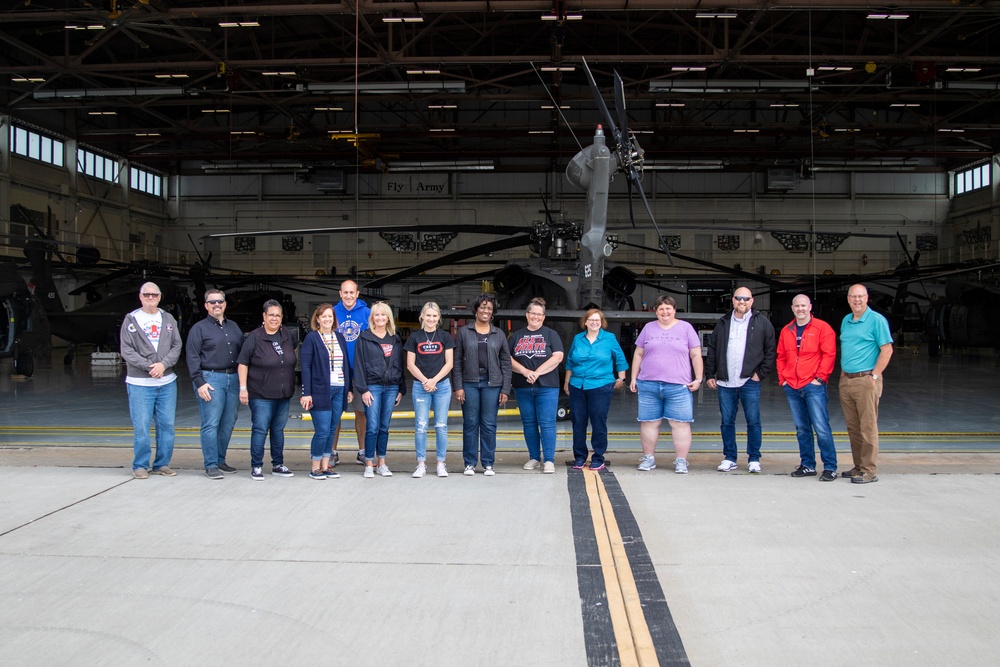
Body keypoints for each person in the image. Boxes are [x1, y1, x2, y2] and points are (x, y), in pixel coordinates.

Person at [705, 287, 776, 473]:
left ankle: (754, 458)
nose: (742, 302)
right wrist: (710, 374)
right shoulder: (722, 322)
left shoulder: (762, 323)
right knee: (727, 421)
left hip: (749, 381)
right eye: (738, 298)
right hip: (725, 382)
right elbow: (712, 349)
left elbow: (771, 351)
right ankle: (730, 457)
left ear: (752, 301)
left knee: (753, 421)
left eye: (746, 298)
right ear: (733, 300)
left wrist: (760, 374)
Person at [629, 295, 703, 473]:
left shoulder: (686, 328)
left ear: (674, 310)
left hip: (678, 386)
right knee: (648, 423)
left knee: (680, 424)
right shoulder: (648, 328)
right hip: (648, 384)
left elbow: (696, 355)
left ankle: (681, 461)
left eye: (668, 308)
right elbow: (638, 354)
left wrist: (698, 378)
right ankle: (648, 459)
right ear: (656, 311)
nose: (664, 312)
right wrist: (633, 377)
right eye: (661, 308)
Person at [120, 282, 182, 479]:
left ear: (160, 296)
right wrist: (149, 366)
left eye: (154, 295)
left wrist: (163, 365)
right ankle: (140, 465)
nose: (150, 298)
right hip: (140, 383)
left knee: (167, 426)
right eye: (146, 295)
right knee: (142, 426)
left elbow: (177, 345)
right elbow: (127, 350)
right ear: (140, 297)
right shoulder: (131, 319)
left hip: (166, 382)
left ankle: (162, 463)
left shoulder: (168, 318)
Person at [776, 294, 839, 482]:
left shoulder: (822, 328)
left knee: (821, 427)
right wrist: (783, 379)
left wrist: (820, 378)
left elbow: (829, 355)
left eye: (803, 305)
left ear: (810, 307)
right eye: (797, 306)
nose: (800, 309)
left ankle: (830, 467)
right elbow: (780, 357)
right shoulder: (786, 330)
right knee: (802, 428)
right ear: (792, 308)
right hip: (792, 386)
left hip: (813, 386)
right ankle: (807, 465)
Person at [186, 288, 243, 480]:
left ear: (225, 304)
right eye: (212, 302)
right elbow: (192, 357)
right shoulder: (198, 329)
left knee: (227, 423)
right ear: (206, 306)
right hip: (210, 379)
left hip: (233, 379)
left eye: (220, 301)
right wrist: (199, 382)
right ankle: (210, 464)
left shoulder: (234, 327)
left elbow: (243, 353)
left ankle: (220, 460)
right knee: (211, 423)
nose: (217, 305)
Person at [839, 284, 893, 484]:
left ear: (867, 298)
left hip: (866, 380)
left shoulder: (876, 320)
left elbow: (886, 350)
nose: (857, 300)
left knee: (867, 427)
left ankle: (869, 470)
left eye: (860, 296)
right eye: (853, 296)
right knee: (853, 427)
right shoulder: (846, 320)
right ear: (848, 299)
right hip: (847, 381)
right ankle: (858, 466)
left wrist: (875, 376)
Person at [238, 299, 298, 480]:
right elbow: (242, 364)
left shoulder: (287, 336)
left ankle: (278, 464)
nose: (274, 318)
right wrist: (243, 388)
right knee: (260, 429)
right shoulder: (254, 338)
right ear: (264, 316)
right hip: (261, 394)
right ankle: (256, 466)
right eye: (271, 315)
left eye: (278, 315)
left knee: (278, 430)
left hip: (283, 394)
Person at [452, 293, 512, 476]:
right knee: (470, 423)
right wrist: (458, 386)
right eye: (483, 307)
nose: (486, 311)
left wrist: (505, 389)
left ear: (492, 313)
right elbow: (456, 362)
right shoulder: (464, 332)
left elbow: (506, 363)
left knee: (489, 424)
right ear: (476, 310)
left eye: (489, 308)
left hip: (492, 384)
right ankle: (469, 463)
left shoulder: (499, 334)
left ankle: (488, 463)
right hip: (469, 383)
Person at [563, 308, 628, 471]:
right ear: (585, 322)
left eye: (597, 320)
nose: (594, 322)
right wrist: (567, 381)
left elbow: (619, 358)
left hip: (601, 385)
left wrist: (621, 378)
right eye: (591, 320)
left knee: (598, 421)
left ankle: (598, 457)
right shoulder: (578, 339)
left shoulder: (609, 338)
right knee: (578, 422)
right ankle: (579, 457)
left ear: (602, 323)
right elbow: (570, 360)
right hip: (578, 385)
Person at [509, 298, 564, 475]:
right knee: (529, 423)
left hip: (547, 386)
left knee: (547, 423)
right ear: (527, 315)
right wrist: (525, 372)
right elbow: (507, 359)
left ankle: (549, 460)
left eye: (539, 314)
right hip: (522, 386)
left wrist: (537, 373)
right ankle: (534, 458)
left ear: (544, 317)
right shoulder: (516, 336)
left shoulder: (551, 334)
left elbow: (557, 357)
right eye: (533, 313)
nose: (536, 317)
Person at [300, 303, 353, 481]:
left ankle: (325, 465)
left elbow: (346, 365)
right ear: (317, 319)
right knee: (322, 430)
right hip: (320, 390)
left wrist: (349, 389)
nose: (327, 319)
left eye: (330, 316)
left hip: (339, 388)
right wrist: (306, 392)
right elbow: (305, 367)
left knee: (331, 429)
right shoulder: (312, 338)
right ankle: (315, 467)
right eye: (324, 317)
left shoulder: (339, 337)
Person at [353, 301, 406, 478]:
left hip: (392, 387)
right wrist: (363, 389)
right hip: (372, 387)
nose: (380, 318)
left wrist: (401, 388)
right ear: (372, 318)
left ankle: (381, 463)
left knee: (384, 427)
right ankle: (369, 463)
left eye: (383, 314)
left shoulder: (395, 338)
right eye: (377, 314)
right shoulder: (364, 337)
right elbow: (359, 365)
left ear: (388, 317)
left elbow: (400, 363)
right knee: (373, 426)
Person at [404, 302, 455, 478]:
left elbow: (449, 363)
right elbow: (410, 364)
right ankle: (421, 464)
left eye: (434, 316)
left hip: (441, 386)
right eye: (428, 315)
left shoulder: (445, 336)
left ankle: (441, 463)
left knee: (441, 426)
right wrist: (426, 381)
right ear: (422, 317)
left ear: (439, 318)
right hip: (421, 386)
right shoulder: (414, 337)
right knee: (421, 426)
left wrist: (435, 380)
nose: (431, 319)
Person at [333, 279, 371, 466]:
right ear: (340, 294)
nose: (348, 296)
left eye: (352, 292)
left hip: (360, 372)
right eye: (345, 292)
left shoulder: (367, 313)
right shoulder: (331, 312)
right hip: (337, 371)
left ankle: (362, 452)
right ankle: (332, 452)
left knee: (361, 412)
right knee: (335, 413)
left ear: (357, 294)